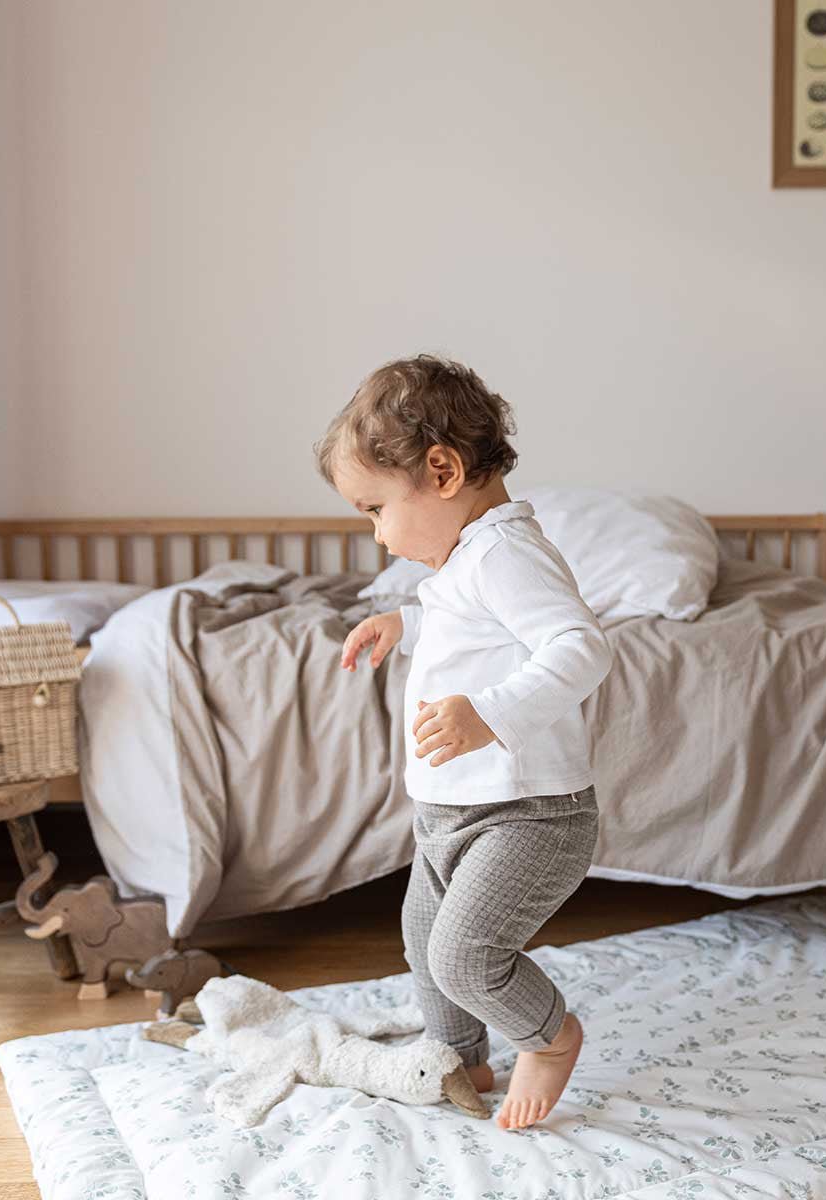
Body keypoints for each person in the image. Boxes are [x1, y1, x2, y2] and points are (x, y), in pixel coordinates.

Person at [313, 354, 612, 1130]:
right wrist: (404, 624)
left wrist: (490, 713)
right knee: (424, 942)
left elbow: (582, 647)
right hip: (453, 810)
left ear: (442, 471)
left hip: (528, 813)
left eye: (376, 509)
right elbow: (467, 625)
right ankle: (459, 1056)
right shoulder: (468, 556)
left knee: (466, 956)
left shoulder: (507, 551)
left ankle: (549, 1038)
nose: (378, 534)